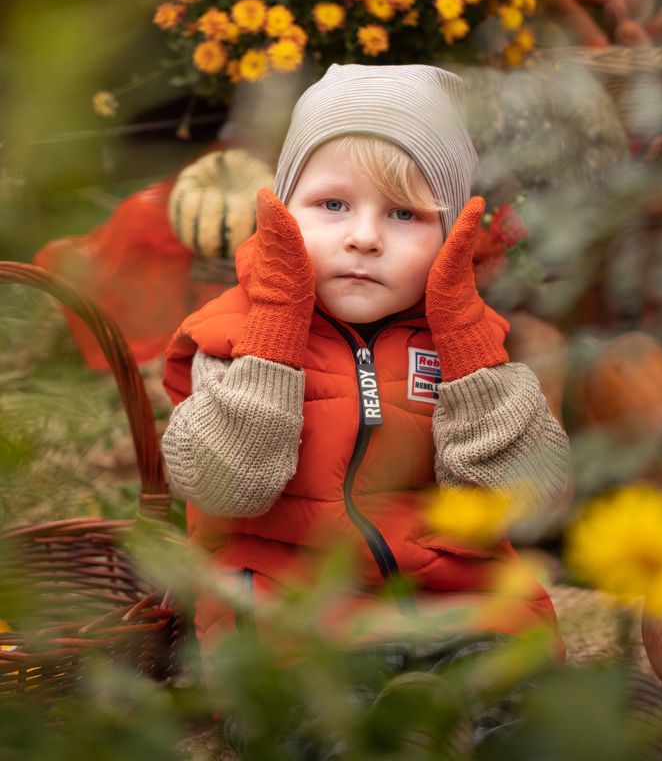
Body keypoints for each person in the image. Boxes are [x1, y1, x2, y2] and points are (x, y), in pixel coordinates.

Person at [161, 63, 572, 754]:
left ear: (452, 239)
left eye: (405, 214)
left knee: (549, 717)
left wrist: (467, 338)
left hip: (455, 605)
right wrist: (277, 332)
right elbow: (224, 485)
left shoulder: (466, 341)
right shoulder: (232, 336)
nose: (364, 237)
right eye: (331, 205)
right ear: (282, 212)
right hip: (294, 619)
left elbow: (529, 499)